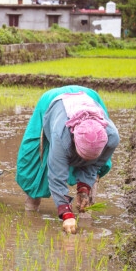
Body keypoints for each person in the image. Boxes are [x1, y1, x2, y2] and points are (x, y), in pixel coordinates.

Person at [16, 86, 120, 234]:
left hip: (89, 97)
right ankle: (31, 211)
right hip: (53, 101)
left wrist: (84, 188)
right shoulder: (61, 136)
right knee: (37, 161)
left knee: (94, 174)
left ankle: (85, 217)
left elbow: (95, 164)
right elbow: (56, 176)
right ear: (74, 143)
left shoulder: (111, 137)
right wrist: (66, 213)